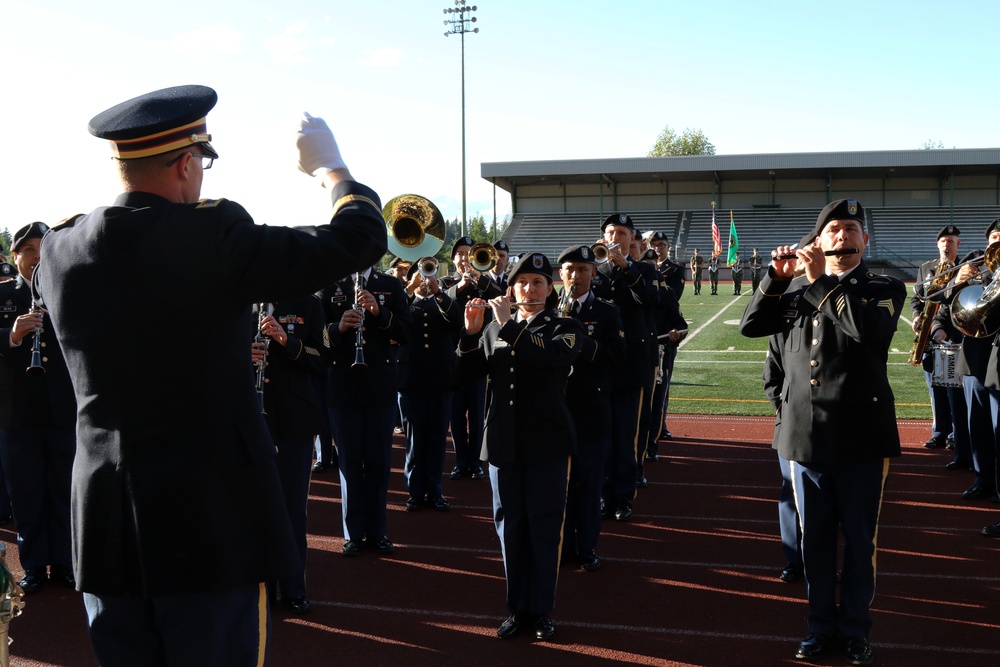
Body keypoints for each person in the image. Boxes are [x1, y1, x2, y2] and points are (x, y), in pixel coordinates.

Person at [32, 85, 387, 667]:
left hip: (106, 519)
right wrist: (330, 169)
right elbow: (359, 237)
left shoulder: (58, 250)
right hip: (208, 519)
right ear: (186, 162)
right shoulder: (211, 237)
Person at [739, 199, 905, 665]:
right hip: (805, 438)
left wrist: (817, 281)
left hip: (861, 438)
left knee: (858, 539)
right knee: (813, 542)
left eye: (852, 228)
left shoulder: (883, 287)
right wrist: (776, 276)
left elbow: (862, 330)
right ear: (818, 241)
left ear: (865, 241)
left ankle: (854, 629)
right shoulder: (794, 293)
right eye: (833, 229)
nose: (843, 235)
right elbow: (753, 326)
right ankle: (818, 627)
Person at [456, 252, 581, 641]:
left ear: (550, 289)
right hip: (503, 443)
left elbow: (551, 357)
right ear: (511, 288)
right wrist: (471, 333)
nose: (529, 288)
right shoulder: (494, 328)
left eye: (538, 282)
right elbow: (464, 375)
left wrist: (507, 325)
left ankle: (540, 610)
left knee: (543, 528)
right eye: (522, 282)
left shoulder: (566, 326)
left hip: (546, 442)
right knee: (509, 528)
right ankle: (516, 608)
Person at [0, 222, 76, 594]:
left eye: (42, 248)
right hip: (18, 414)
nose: (36, 257)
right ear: (15, 256)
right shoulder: (2, 296)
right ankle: (32, 565)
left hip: (62, 411)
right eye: (28, 250)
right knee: (26, 493)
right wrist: (12, 335)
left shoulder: (66, 293)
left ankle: (64, 561)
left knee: (64, 489)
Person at [318, 263, 410, 556]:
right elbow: (316, 337)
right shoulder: (329, 284)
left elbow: (405, 331)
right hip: (343, 387)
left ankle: (378, 531)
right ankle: (353, 533)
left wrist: (379, 313)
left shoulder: (391, 285)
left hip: (379, 386)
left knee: (379, 463)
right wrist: (339, 327)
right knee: (348, 463)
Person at [251, 296, 328, 615]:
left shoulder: (310, 304)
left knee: (293, 509)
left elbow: (323, 357)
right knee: (256, 509)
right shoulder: (237, 300)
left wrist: (286, 340)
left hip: (294, 419)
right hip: (250, 418)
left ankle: (295, 588)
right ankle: (261, 588)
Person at [557, 244, 625, 571]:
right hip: (556, 410)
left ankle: (586, 548)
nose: (576, 276)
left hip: (591, 410)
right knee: (560, 486)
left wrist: (579, 340)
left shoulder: (608, 312)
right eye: (570, 270)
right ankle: (563, 546)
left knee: (588, 485)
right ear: (561, 274)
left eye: (583, 270)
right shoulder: (549, 308)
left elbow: (617, 357)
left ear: (593, 274)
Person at [591, 214, 658, 521]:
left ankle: (623, 497)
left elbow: (652, 302)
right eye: (610, 232)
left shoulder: (644, 269)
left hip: (632, 364)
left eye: (621, 232)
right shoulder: (595, 271)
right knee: (602, 433)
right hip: (602, 363)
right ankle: (603, 495)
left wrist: (627, 268)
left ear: (633, 239)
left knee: (626, 436)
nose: (615, 237)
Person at [398, 259, 463, 511]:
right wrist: (408, 289)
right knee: (414, 441)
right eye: (421, 274)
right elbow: (392, 319)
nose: (425, 279)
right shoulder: (404, 302)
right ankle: (415, 492)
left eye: (428, 273)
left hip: (440, 379)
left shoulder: (443, 300)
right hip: (411, 379)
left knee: (436, 439)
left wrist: (438, 292)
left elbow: (457, 322)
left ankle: (435, 491)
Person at [443, 236, 504, 480]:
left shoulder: (486, 283)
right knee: (456, 413)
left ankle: (477, 461)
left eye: (470, 253)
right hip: (454, 358)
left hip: (481, 358)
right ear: (454, 258)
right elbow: (444, 303)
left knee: (479, 412)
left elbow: (500, 298)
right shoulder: (446, 283)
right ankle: (460, 461)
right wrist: (460, 286)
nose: (465, 258)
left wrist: (479, 279)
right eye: (460, 253)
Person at [911, 225, 961, 450]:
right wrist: (916, 316)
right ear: (937, 244)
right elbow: (917, 299)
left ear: (957, 244)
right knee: (935, 389)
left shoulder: (965, 267)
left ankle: (957, 435)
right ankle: (940, 432)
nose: (946, 245)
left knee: (955, 392)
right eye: (943, 241)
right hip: (930, 339)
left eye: (951, 241)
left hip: (953, 336)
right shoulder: (926, 268)